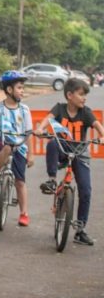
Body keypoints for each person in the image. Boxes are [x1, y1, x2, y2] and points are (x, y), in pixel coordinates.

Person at [35, 78, 104, 245]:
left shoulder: (86, 112)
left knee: (86, 191)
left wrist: (102, 136)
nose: (84, 98)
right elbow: (47, 119)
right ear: (70, 95)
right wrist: (40, 129)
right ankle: (52, 181)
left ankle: (80, 230)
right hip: (62, 148)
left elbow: (98, 127)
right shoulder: (59, 108)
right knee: (52, 143)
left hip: (79, 152)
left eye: (85, 95)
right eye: (81, 95)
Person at [0, 70, 34, 227]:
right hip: (2, 143)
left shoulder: (24, 110)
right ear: (9, 90)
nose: (22, 91)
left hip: (19, 147)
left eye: (22, 88)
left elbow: (28, 134)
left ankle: (24, 213)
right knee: (7, 147)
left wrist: (30, 155)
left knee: (20, 182)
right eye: (19, 87)